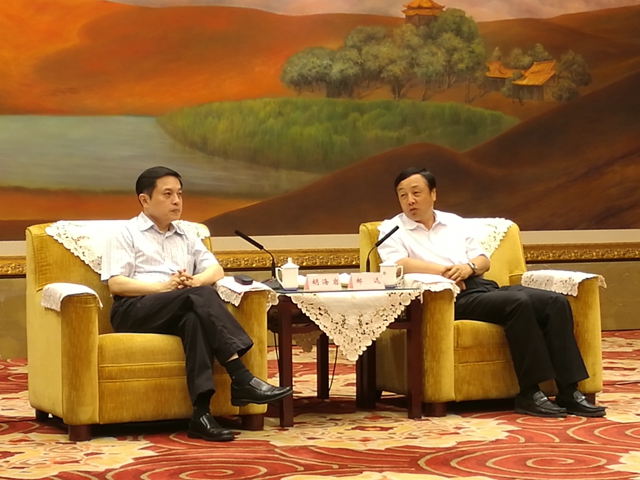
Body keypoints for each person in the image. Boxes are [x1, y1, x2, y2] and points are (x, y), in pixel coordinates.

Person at [376, 166, 605, 418]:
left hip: (480, 287)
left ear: (433, 194)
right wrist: (444, 272)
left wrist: (468, 267)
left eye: (416, 192)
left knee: (554, 302)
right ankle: (530, 393)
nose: (410, 200)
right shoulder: (392, 229)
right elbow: (397, 264)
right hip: (447, 297)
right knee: (518, 302)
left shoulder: (454, 223)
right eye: (403, 195)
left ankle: (569, 390)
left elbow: (483, 260)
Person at [101, 166, 292, 442]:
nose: (176, 201)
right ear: (144, 199)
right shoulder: (125, 233)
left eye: (179, 194)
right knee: (199, 296)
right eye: (167, 194)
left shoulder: (186, 234)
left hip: (177, 305)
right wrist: (164, 287)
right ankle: (241, 377)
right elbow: (117, 284)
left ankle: (201, 415)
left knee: (194, 320)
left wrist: (196, 280)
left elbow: (215, 270)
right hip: (134, 310)